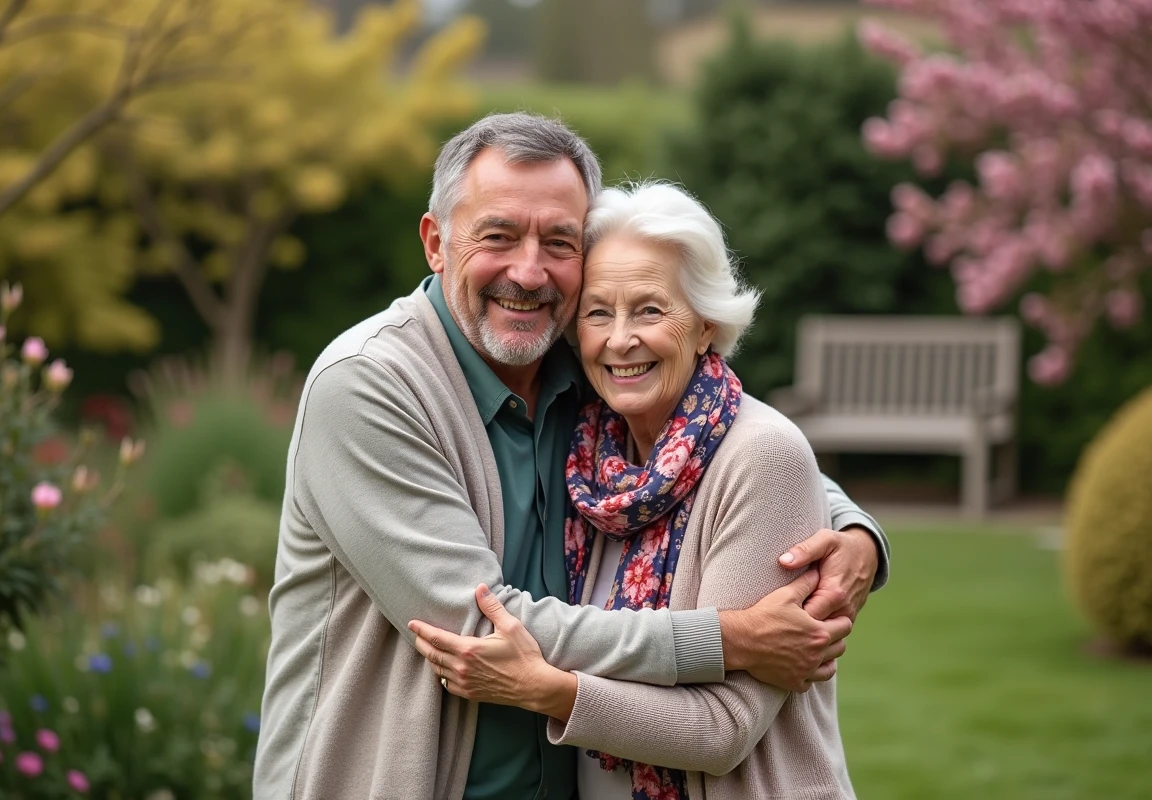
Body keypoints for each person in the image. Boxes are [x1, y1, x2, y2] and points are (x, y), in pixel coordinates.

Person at [254, 113, 889, 800]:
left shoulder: (579, 361)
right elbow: (477, 623)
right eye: (497, 235)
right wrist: (728, 640)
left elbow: (725, 444)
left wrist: (856, 533)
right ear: (437, 243)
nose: (527, 273)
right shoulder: (367, 384)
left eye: (558, 241)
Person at [411, 181, 855, 799]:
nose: (620, 339)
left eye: (649, 310)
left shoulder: (760, 456)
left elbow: (721, 731)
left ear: (705, 324)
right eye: (598, 312)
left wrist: (548, 690)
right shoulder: (595, 455)